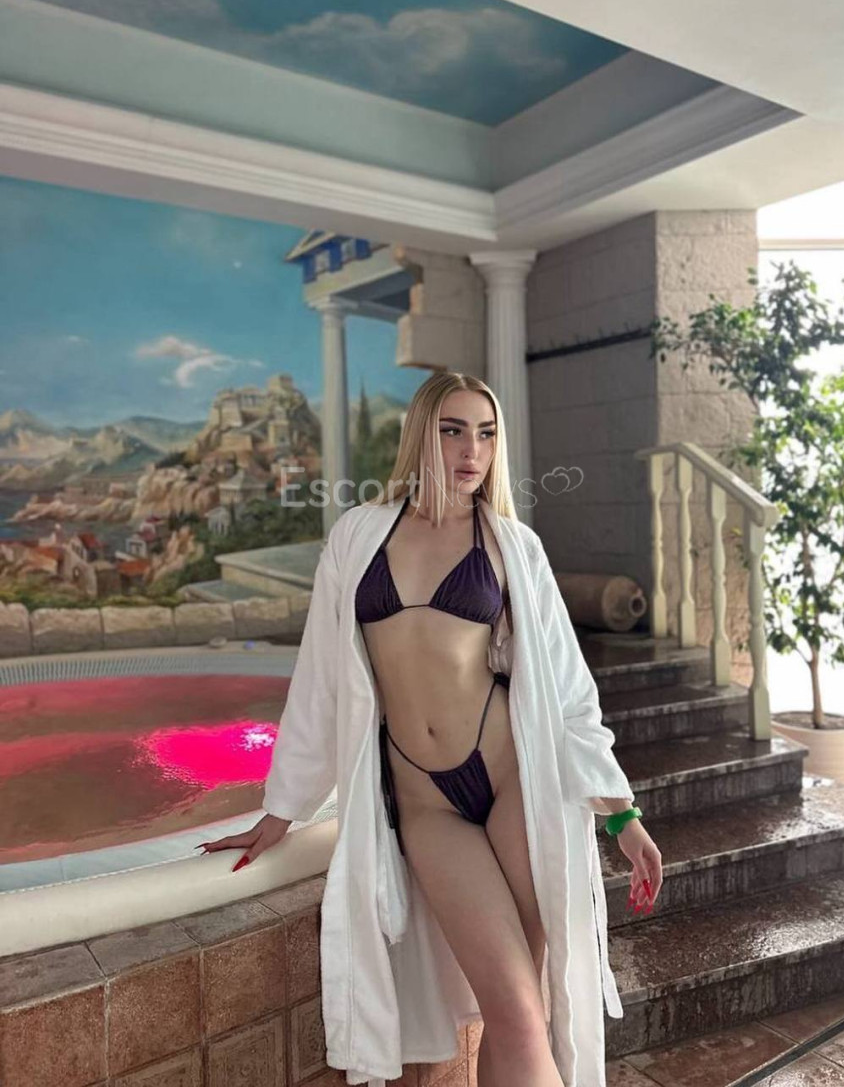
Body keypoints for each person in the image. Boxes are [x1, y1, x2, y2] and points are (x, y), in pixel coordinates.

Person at [199, 370, 663, 1087]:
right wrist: (281, 809)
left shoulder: (511, 544)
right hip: (426, 802)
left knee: (521, 1014)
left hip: (515, 780)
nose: (471, 450)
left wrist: (621, 814)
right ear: (421, 434)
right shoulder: (359, 536)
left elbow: (569, 689)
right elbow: (322, 679)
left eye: (486, 433)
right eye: (453, 430)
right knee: (514, 1009)